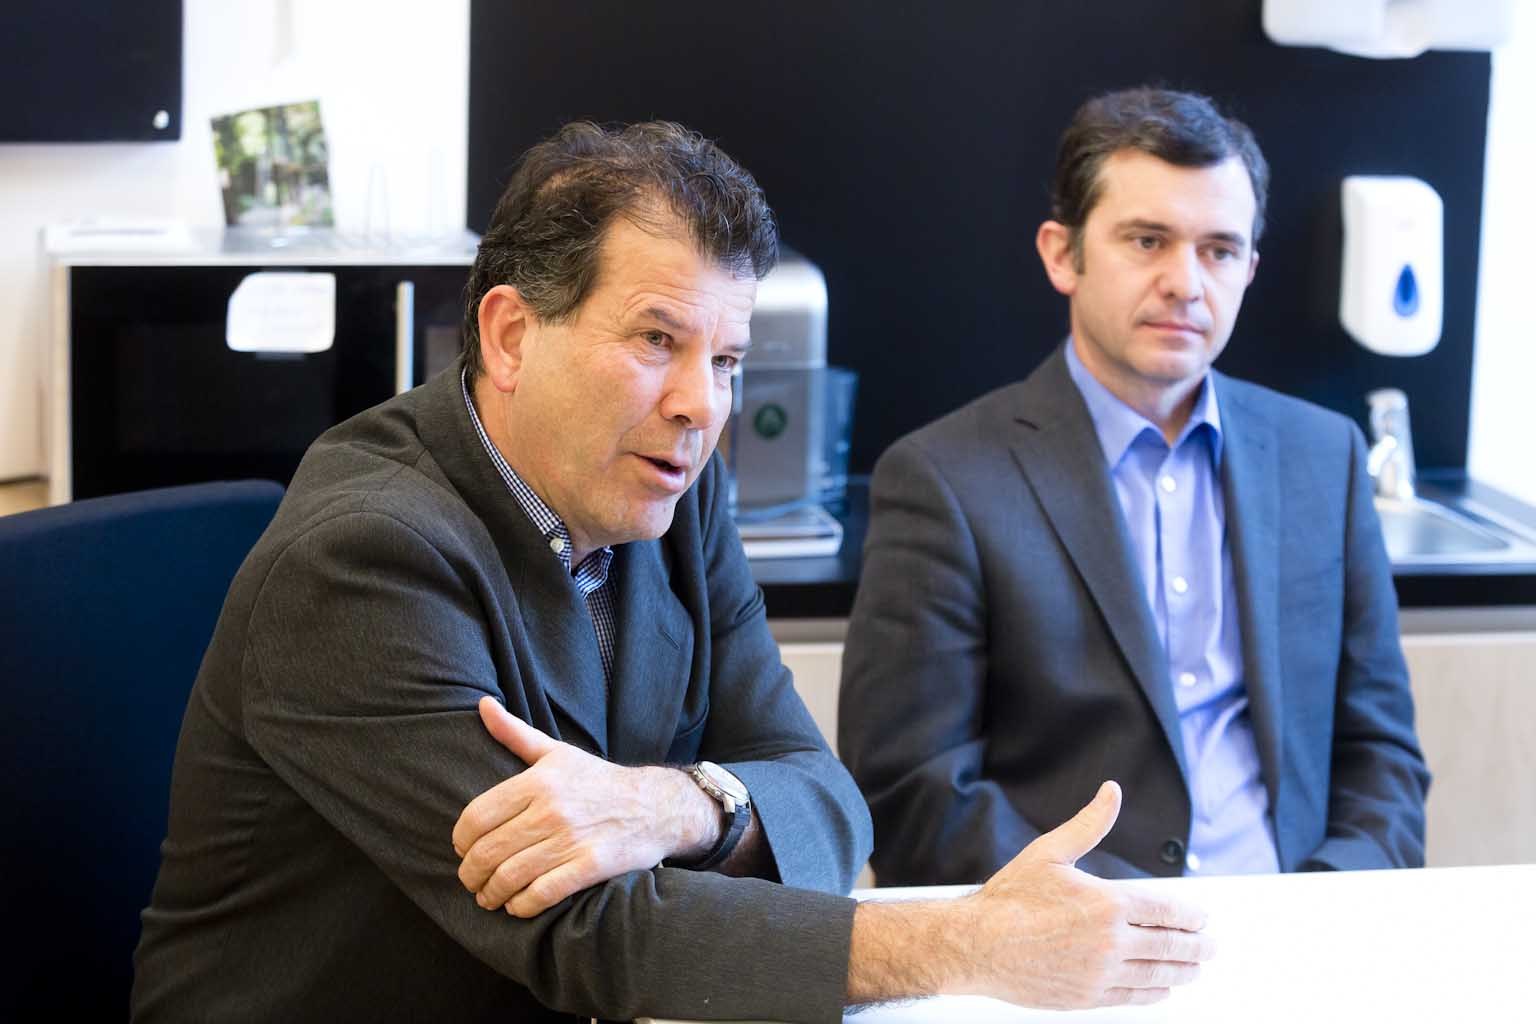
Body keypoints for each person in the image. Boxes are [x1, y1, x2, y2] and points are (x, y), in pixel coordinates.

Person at [132, 121, 1213, 1023]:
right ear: (509, 336)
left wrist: (678, 806)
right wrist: (967, 944)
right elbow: (587, 932)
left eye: (727, 360)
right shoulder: (363, 558)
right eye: (657, 340)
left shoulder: (675, 493)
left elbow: (826, 798)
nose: (703, 406)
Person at [839, 88, 1430, 887]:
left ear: (1249, 271)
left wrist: (1326, 903)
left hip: (1299, 916)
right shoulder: (944, 479)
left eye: (1219, 251)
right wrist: (1130, 921)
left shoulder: (1325, 457)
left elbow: (1382, 756)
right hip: (1074, 931)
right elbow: (912, 794)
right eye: (1148, 241)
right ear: (1062, 254)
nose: (1185, 282)